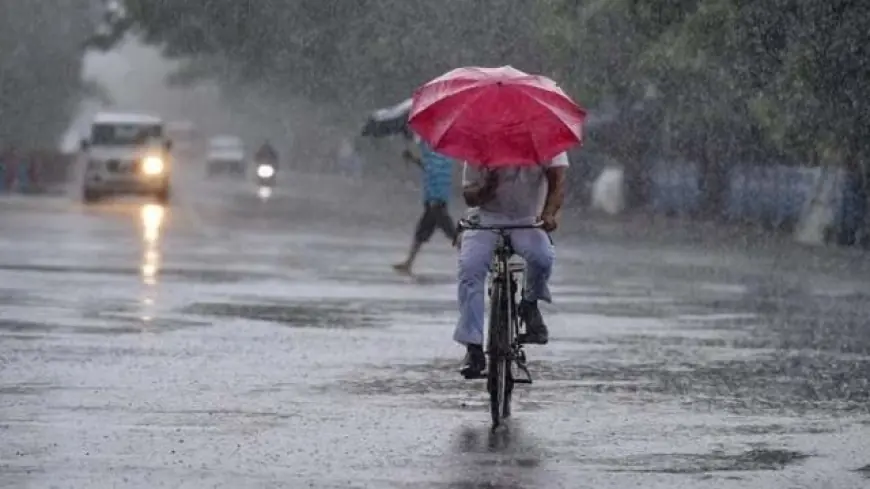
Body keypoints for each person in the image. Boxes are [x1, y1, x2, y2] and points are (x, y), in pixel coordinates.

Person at [455, 153, 568, 378]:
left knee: (543, 257)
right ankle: (473, 347)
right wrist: (487, 188)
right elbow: (469, 196)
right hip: (486, 220)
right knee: (469, 269)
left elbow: (557, 182)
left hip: (527, 221)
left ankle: (529, 304)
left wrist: (549, 214)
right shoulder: (480, 143)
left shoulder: (545, 139)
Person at [393, 133, 458, 275]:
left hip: (436, 201)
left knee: (452, 234)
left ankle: (477, 262)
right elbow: (428, 169)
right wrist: (412, 159)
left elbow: (435, 173)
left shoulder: (436, 153)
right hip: (433, 200)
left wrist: (434, 199)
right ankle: (408, 263)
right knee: (421, 233)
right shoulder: (439, 152)